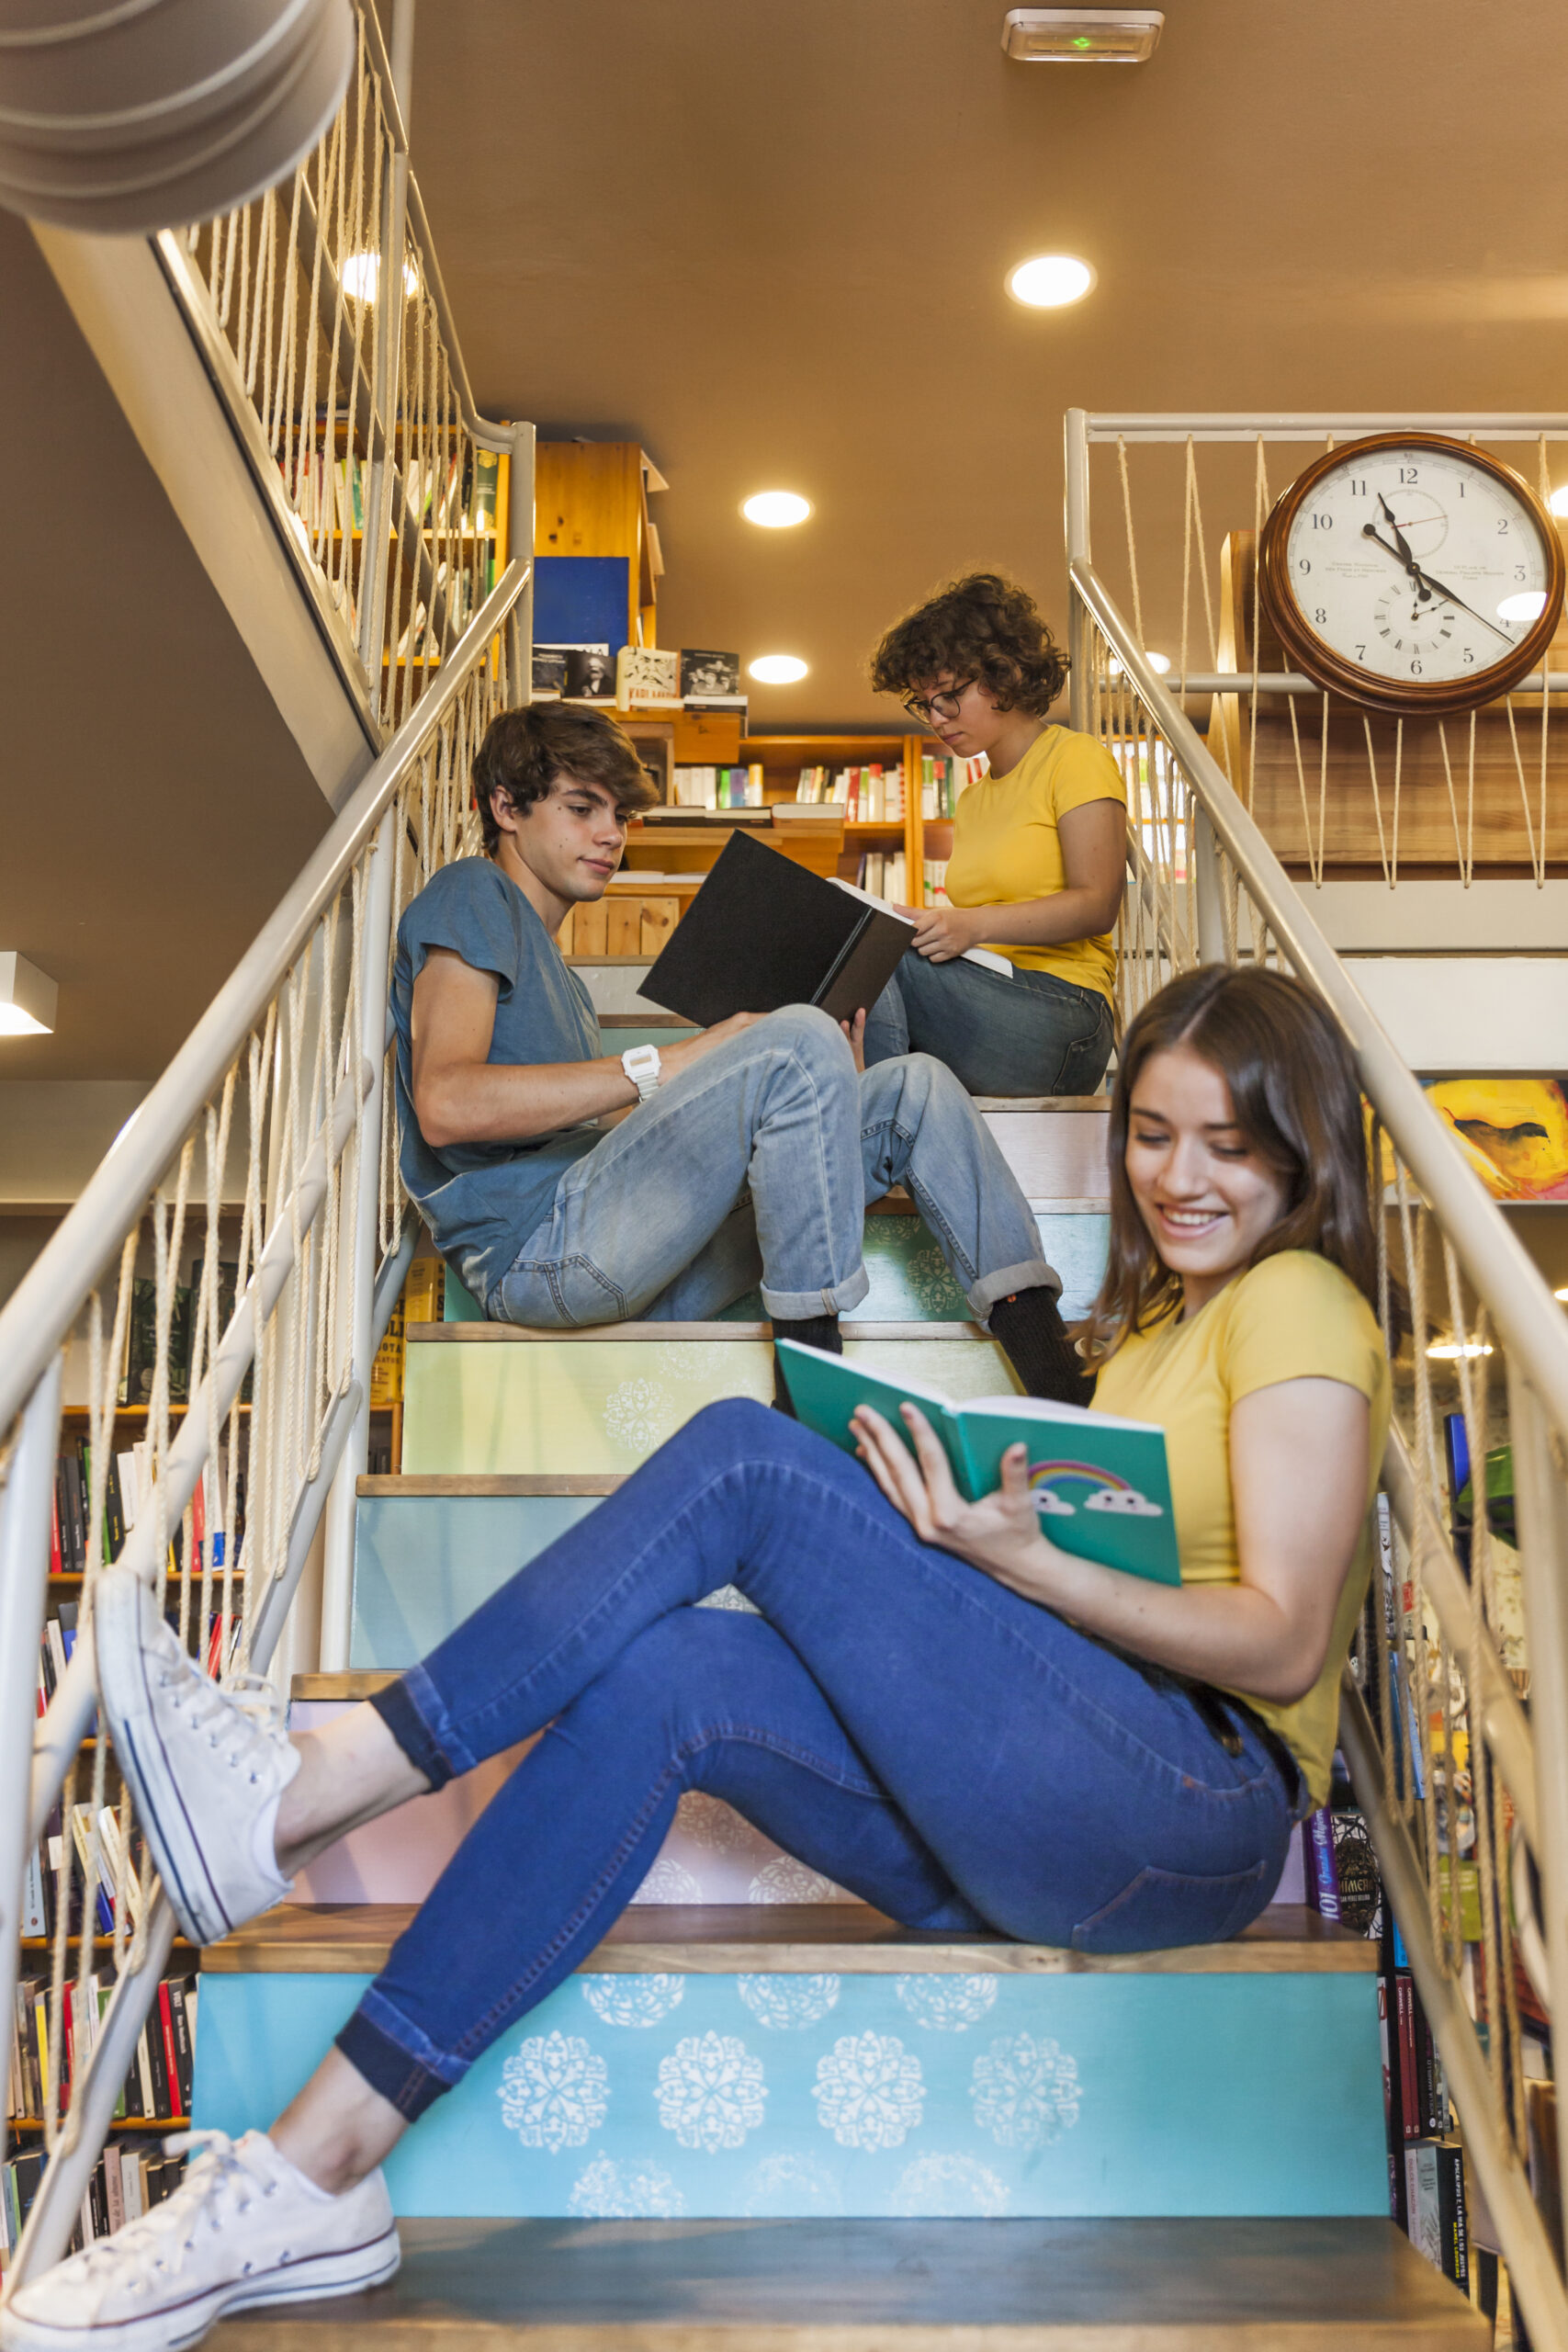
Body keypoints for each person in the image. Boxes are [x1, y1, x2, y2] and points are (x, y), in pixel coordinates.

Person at [0, 964, 1392, 2352]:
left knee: (746, 1464)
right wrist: (977, 1549)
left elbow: (1275, 1642)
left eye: (1225, 1143)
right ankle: (319, 2166)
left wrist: (1012, 1561)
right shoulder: (1158, 1325)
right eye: (1149, 1133)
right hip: (1053, 1812)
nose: (1176, 1176)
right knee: (670, 1676)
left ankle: (307, 1794)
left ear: (1300, 1144)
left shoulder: (1296, 1304)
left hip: (1192, 1810)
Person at [392, 699, 1087, 1408]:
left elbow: (591, 1129)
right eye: (581, 809)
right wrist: (690, 1057)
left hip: (635, 1258)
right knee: (792, 1035)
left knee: (914, 1085)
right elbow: (446, 1105)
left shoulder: (559, 976)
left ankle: (1059, 1385)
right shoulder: (472, 893)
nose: (610, 837)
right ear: (506, 807)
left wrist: (818, 1096)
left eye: (621, 818)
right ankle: (809, 1393)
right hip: (541, 1257)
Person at [865, 571, 1127, 1098]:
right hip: (986, 995)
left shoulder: (1074, 758)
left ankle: (863, 1128)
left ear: (1002, 674)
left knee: (878, 962)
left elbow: (1098, 904)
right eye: (924, 704)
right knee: (853, 954)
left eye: (948, 696)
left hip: (1067, 1015)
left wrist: (969, 926)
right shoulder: (973, 798)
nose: (936, 718)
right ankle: (874, 1115)